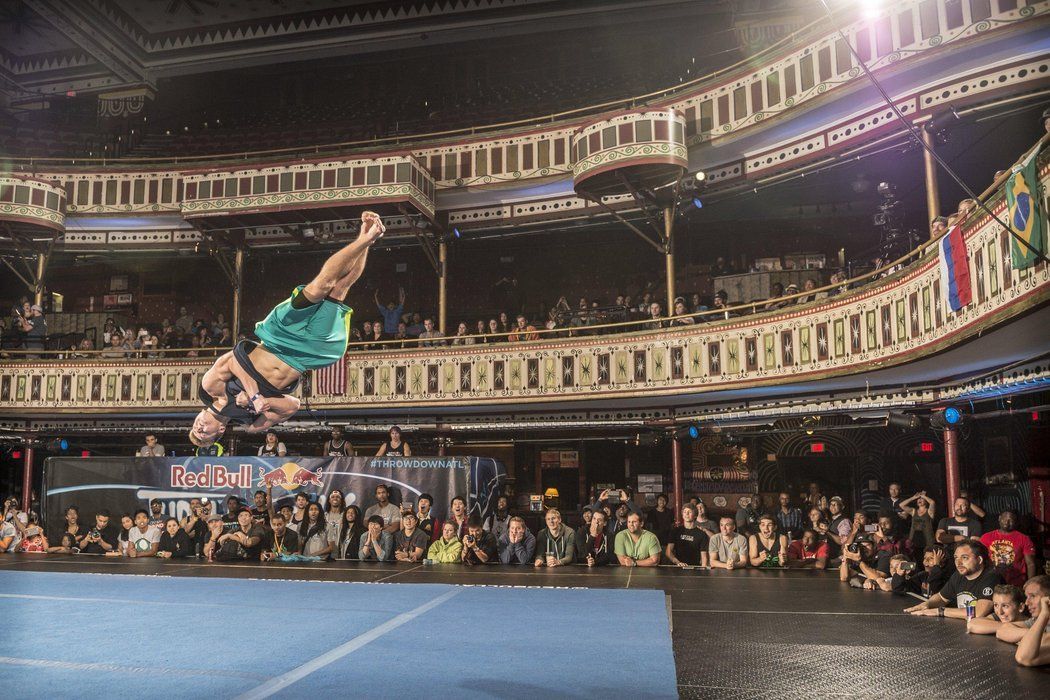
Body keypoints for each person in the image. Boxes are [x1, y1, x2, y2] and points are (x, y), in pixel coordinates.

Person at [190, 211, 386, 447]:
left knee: (320, 286)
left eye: (195, 428)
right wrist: (260, 403)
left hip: (277, 337)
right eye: (203, 435)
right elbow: (292, 406)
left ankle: (363, 239)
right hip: (304, 355)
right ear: (220, 431)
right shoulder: (251, 423)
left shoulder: (210, 388)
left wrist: (253, 395)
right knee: (340, 290)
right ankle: (368, 239)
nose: (199, 428)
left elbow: (232, 361)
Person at [904, 541, 1001, 618]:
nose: (958, 563)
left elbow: (978, 612)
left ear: (979, 560)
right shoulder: (958, 576)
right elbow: (941, 597)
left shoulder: (991, 578)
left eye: (964, 557)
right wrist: (927, 604)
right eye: (956, 558)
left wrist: (940, 611)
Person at [980, 510, 1036, 587]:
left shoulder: (1024, 539)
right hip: (992, 581)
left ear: (1015, 521)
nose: (1007, 522)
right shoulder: (986, 537)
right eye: (1004, 518)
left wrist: (1030, 584)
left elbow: (1030, 563)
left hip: (1016, 583)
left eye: (1011, 520)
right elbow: (979, 560)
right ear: (999, 518)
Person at [994, 575, 1050, 646]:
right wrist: (1033, 635)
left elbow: (1027, 652)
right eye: (1027, 597)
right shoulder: (1035, 620)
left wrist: (1019, 638)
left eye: (1033, 596)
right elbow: (1001, 631)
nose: (1027, 602)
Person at [666, 504, 709, 568]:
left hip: (694, 568)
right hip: (678, 567)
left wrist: (703, 570)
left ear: (695, 515)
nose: (687, 514)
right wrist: (678, 562)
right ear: (682, 515)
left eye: (690, 512)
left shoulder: (702, 534)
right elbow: (668, 552)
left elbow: (704, 557)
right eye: (685, 512)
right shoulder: (675, 531)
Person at [1016, 597, 1050, 667]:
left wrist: (1044, 614)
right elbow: (1002, 630)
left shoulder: (1043, 617)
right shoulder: (1034, 621)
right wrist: (1032, 635)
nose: (1026, 603)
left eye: (1033, 596)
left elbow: (1023, 657)